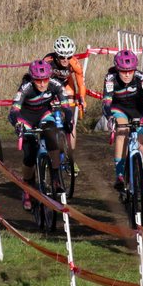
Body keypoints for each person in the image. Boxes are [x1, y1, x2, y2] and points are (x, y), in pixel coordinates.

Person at [9, 59, 68, 210]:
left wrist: (68, 119)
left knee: (51, 134)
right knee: (29, 154)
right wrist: (18, 124)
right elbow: (14, 111)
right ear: (32, 78)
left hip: (43, 114)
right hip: (25, 118)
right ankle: (27, 188)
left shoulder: (55, 84)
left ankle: (55, 176)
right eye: (38, 80)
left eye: (45, 80)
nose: (42, 84)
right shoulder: (26, 87)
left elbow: (66, 106)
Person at [102, 49, 143, 191]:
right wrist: (109, 117)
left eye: (130, 71)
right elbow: (106, 102)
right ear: (117, 69)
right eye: (123, 71)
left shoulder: (141, 77)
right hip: (119, 109)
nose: (127, 74)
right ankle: (119, 175)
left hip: (138, 110)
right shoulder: (110, 78)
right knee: (122, 130)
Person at [43, 35, 85, 166]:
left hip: (67, 87)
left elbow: (81, 83)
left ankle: (71, 157)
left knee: (70, 121)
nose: (66, 60)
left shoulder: (74, 63)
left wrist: (82, 99)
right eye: (62, 57)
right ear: (56, 55)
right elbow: (41, 81)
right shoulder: (48, 61)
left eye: (69, 56)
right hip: (50, 86)